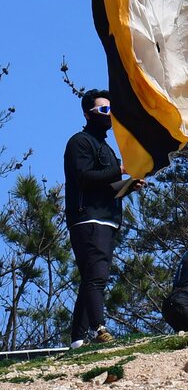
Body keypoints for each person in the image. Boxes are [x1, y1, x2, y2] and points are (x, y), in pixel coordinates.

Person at [63, 89, 144, 349]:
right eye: (104, 110)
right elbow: (85, 178)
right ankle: (100, 329)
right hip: (88, 219)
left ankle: (77, 340)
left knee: (92, 277)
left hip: (107, 219)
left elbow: (106, 188)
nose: (110, 115)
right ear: (88, 114)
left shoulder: (106, 148)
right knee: (96, 277)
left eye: (111, 110)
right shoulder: (79, 142)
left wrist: (128, 186)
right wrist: (119, 169)